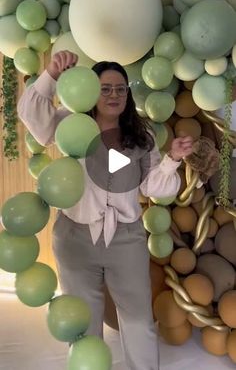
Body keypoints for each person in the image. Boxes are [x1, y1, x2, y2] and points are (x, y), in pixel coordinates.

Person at [17, 50, 194, 370]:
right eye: (105, 88)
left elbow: (153, 187)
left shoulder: (142, 135)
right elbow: (33, 118)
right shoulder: (70, 122)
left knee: (139, 320)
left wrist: (173, 160)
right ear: (90, 91)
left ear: (128, 93)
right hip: (75, 236)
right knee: (84, 325)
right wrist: (51, 76)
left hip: (126, 238)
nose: (114, 95)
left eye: (120, 88)